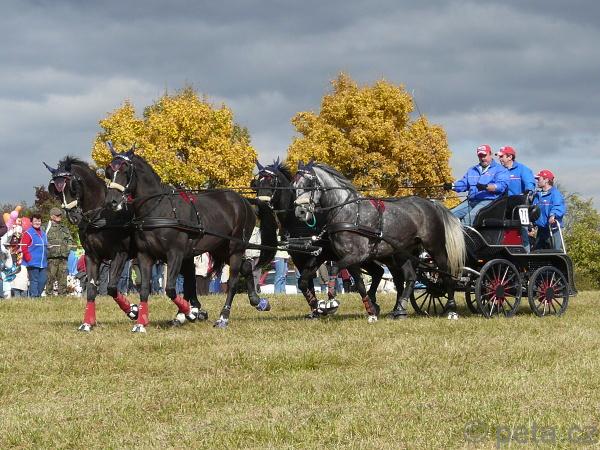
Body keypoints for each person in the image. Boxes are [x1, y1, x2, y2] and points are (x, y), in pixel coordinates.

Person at [445, 144, 509, 226]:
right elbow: (464, 184)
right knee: (448, 216)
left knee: (468, 219)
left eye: (484, 155)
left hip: (489, 201)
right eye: (480, 156)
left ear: (490, 154)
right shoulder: (472, 170)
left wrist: (487, 187)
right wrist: (452, 186)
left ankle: (464, 233)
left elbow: (501, 186)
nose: (482, 158)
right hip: (471, 201)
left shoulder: (500, 169)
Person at [496, 146, 536, 251]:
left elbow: (530, 184)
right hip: (502, 207)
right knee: (503, 233)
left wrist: (528, 192)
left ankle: (526, 255)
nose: (499, 159)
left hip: (520, 206)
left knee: (523, 231)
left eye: (501, 156)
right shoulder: (499, 170)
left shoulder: (523, 169)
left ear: (510, 157)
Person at [530, 169, 566, 251]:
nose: (537, 181)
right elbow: (533, 211)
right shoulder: (537, 195)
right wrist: (531, 224)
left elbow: (558, 206)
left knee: (555, 252)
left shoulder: (555, 194)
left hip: (553, 230)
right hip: (540, 230)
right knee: (537, 253)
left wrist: (553, 215)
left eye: (539, 179)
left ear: (546, 180)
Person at [45, 207, 75, 296]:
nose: (59, 216)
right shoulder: (46, 227)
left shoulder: (64, 228)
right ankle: (49, 294)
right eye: (57, 215)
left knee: (63, 278)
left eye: (60, 215)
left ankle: (62, 295)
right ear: (52, 216)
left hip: (63, 257)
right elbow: (42, 240)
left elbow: (70, 240)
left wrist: (67, 251)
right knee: (50, 277)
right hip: (51, 258)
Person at [21, 213, 48, 297]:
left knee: (43, 280)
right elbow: (23, 247)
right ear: (31, 222)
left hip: (43, 262)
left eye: (39, 221)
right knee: (34, 280)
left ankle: (37, 295)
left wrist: (48, 246)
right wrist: (29, 258)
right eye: (35, 221)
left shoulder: (43, 233)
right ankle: (34, 297)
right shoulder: (28, 233)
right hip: (32, 262)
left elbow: (44, 245)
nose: (37, 223)